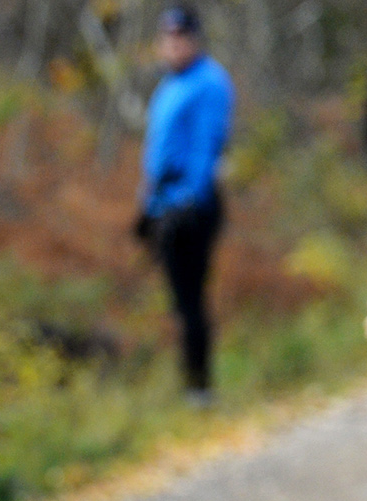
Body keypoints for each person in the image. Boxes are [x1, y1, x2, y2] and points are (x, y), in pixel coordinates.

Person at [137, 7, 234, 404]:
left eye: (181, 36)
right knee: (177, 301)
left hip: (193, 206)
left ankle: (200, 387)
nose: (174, 44)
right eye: (167, 37)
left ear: (195, 38)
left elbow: (206, 148)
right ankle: (189, 383)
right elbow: (157, 151)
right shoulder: (168, 85)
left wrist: (188, 201)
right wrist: (146, 206)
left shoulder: (209, 82)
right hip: (164, 202)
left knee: (191, 298)